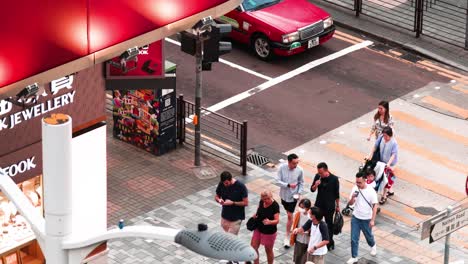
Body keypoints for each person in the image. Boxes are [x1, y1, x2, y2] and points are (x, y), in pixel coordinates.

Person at [346, 172, 378, 264]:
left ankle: (373, 245)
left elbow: (375, 206)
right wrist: (352, 198)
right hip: (355, 217)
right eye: (356, 182)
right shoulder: (355, 189)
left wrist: (372, 220)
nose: (358, 184)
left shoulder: (371, 191)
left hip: (366, 218)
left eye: (359, 182)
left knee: (368, 236)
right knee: (354, 238)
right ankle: (354, 256)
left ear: (365, 180)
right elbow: (350, 203)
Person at [276, 153, 304, 248]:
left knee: (289, 215)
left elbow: (301, 182)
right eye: (293, 163)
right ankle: (294, 223)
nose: (295, 165)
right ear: (289, 162)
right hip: (284, 196)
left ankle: (287, 236)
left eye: (297, 163)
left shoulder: (300, 170)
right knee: (289, 214)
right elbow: (277, 181)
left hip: (293, 196)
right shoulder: (281, 168)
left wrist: (299, 193)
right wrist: (287, 185)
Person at [310, 162, 339, 250]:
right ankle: (316, 240)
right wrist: (316, 185)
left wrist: (337, 206)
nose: (320, 174)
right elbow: (312, 189)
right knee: (315, 222)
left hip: (329, 206)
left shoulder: (334, 179)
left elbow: (336, 194)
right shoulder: (317, 177)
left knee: (329, 225)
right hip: (319, 205)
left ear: (326, 171)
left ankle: (329, 242)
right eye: (319, 172)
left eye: (321, 173)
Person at [367, 126, 398, 204]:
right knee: (380, 177)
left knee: (386, 179)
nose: (384, 137)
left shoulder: (394, 143)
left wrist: (388, 164)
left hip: (389, 164)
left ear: (390, 135)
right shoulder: (381, 137)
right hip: (380, 161)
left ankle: (384, 196)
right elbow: (375, 146)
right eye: (383, 135)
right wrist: (370, 155)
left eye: (386, 136)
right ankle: (389, 191)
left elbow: (393, 155)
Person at [250, 190, 280, 264]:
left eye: (268, 198)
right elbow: (258, 210)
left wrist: (270, 222)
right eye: (264, 199)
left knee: (268, 250)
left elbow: (277, 220)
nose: (266, 201)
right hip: (259, 228)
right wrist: (255, 215)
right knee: (253, 247)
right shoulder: (261, 201)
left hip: (269, 231)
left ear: (271, 197)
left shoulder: (275, 205)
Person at [215, 171, 249, 235]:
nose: (225, 185)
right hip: (224, 216)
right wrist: (219, 200)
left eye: (227, 183)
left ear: (231, 179)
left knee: (231, 239)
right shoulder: (222, 184)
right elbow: (217, 196)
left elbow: (246, 203)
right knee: (224, 236)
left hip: (236, 218)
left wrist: (233, 203)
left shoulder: (241, 186)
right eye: (224, 183)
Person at [292, 199, 312, 264]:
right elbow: (295, 224)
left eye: (303, 207)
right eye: (300, 207)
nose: (301, 209)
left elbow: (312, 230)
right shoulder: (298, 214)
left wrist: (304, 232)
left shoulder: (310, 217)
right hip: (299, 238)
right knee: (297, 257)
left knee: (304, 259)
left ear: (308, 208)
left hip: (308, 240)